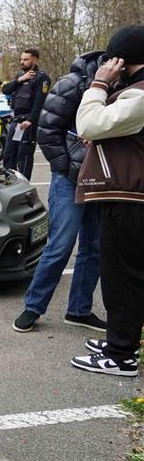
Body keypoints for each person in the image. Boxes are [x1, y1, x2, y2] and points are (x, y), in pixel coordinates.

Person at [12, 49, 107, 335]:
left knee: (94, 247)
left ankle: (79, 310)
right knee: (60, 245)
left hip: (102, 180)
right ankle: (33, 306)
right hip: (70, 178)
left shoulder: (124, 87)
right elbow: (47, 128)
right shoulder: (73, 83)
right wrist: (66, 167)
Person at [70, 25, 144, 378]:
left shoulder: (140, 94)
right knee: (120, 275)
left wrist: (99, 84)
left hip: (130, 201)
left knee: (123, 277)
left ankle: (121, 355)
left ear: (122, 59)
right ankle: (121, 341)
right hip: (128, 197)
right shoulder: (133, 92)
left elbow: (88, 124)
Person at [1, 48, 52, 179]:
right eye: (21, 59)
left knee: (23, 156)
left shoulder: (42, 78)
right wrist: (20, 79)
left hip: (27, 123)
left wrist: (31, 120)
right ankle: (9, 181)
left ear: (35, 60)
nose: (22, 62)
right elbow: (5, 90)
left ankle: (23, 185)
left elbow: (40, 102)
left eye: (26, 59)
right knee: (8, 154)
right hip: (16, 121)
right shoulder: (20, 75)